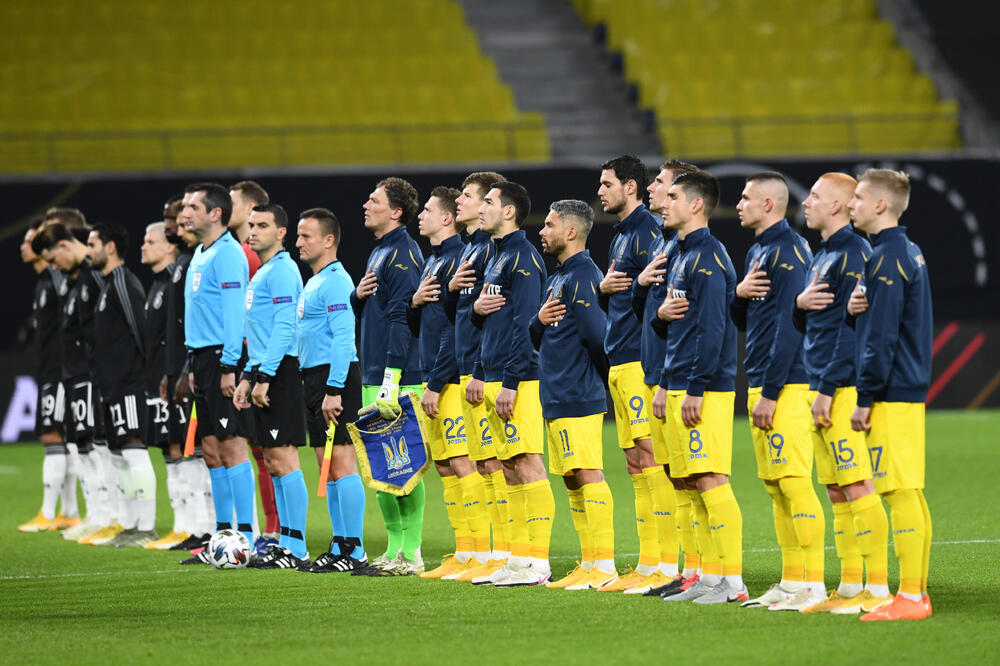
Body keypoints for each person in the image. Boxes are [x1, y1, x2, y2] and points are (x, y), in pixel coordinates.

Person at [793, 173, 892, 615]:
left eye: (814, 196)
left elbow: (854, 332)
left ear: (837, 205)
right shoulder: (824, 254)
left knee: (857, 484)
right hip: (821, 383)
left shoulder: (854, 253)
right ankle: (851, 587)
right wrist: (799, 306)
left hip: (843, 388)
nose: (807, 203)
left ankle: (878, 586)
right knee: (836, 489)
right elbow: (819, 325)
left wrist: (829, 390)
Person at [730, 172, 826, 610]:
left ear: (770, 205)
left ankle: (813, 583)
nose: (738, 204)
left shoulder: (787, 251)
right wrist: (739, 293)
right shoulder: (760, 250)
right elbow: (747, 320)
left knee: (793, 481)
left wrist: (770, 391)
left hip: (785, 383)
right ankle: (791, 581)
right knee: (775, 486)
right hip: (766, 381)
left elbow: (792, 324)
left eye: (746, 198)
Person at [652, 170, 746, 604]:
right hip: (679, 383)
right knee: (689, 482)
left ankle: (732, 582)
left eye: (673, 195)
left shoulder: (708, 257)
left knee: (709, 479)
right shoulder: (682, 254)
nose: (664, 202)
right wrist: (666, 384)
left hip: (702, 388)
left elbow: (712, 330)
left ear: (695, 205)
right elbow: (679, 329)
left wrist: (694, 387)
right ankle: (707, 577)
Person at [847, 169, 933, 622]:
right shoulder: (906, 251)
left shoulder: (884, 258)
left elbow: (881, 336)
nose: (852, 204)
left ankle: (912, 598)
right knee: (910, 491)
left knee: (898, 491)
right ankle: (915, 593)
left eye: (859, 197)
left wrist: (865, 397)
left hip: (891, 391)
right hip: (907, 387)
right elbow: (879, 319)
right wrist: (853, 308)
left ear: (881, 204)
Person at [595, 155, 676, 591]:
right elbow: (620, 294)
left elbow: (655, 296)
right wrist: (604, 289)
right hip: (621, 357)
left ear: (630, 186)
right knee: (634, 461)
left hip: (640, 359)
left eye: (608, 184)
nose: (601, 192)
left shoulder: (647, 231)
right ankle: (648, 563)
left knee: (651, 457)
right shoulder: (622, 235)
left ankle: (666, 562)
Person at [471, 181, 554, 587]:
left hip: (515, 380)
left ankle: (538, 562)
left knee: (528, 463)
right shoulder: (497, 257)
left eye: (488, 201)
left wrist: (511, 382)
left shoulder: (522, 258)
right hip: (494, 376)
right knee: (509, 466)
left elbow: (528, 328)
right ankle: (519, 558)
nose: (481, 208)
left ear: (508, 211)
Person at [408, 187, 491, 579]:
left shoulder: (461, 257)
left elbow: (454, 331)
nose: (420, 215)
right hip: (435, 375)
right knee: (444, 465)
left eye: (427, 210)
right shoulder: (433, 262)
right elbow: (429, 324)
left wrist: (438, 383)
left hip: (451, 379)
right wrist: (415, 301)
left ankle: (480, 551)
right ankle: (464, 552)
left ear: (445, 219)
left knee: (462, 462)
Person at [531, 199, 615, 590]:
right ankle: (588, 563)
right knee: (572, 478)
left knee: (588, 473)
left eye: (549, 225)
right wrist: (538, 321)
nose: (542, 231)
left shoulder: (583, 275)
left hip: (578, 391)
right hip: (558, 394)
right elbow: (539, 336)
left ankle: (604, 564)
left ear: (570, 232)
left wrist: (599, 383)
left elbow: (599, 338)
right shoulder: (558, 277)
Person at [632, 160, 703, 597]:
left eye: (663, 185)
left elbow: (701, 325)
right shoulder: (667, 248)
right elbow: (654, 316)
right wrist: (641, 286)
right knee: (675, 475)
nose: (656, 191)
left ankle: (702, 571)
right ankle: (685, 569)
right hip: (658, 375)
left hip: (680, 380)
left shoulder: (693, 252)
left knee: (697, 478)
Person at [350, 177, 426, 575]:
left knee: (403, 462)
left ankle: (411, 551)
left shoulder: (404, 255)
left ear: (396, 211)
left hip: (398, 374)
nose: (366, 204)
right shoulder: (379, 252)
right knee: (380, 466)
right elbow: (375, 314)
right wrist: (356, 298)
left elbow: (403, 320)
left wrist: (392, 377)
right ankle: (394, 547)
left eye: (374, 199)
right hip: (375, 371)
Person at [233, 202, 309, 569]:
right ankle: (286, 543)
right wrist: (249, 375)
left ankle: (297, 546)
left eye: (262, 225)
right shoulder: (263, 272)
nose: (253, 232)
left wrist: (264, 377)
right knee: (275, 462)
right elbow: (260, 334)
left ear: (281, 232)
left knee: (284, 457)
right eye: (251, 225)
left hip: (280, 371)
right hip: (265, 369)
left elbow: (284, 328)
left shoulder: (281, 271)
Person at [181, 182, 254, 554]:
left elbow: (233, 317)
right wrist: (193, 365)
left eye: (193, 206)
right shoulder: (200, 252)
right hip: (201, 358)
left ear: (216, 213)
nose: (185, 212)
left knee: (232, 446)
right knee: (210, 448)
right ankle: (222, 535)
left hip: (222, 359)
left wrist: (228, 366)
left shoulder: (227, 254)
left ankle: (249, 537)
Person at [445, 171, 511, 583]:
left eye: (471, 197)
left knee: (497, 463)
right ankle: (485, 551)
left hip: (487, 372)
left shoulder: (492, 251)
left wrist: (482, 372)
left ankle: (503, 552)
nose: (462, 203)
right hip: (471, 369)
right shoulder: (473, 250)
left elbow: (499, 319)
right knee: (484, 463)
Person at [33, 220, 117, 545]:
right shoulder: (73, 279)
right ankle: (96, 516)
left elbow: (105, 331)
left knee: (101, 448)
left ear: (65, 246)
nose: (52, 266)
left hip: (92, 378)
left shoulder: (93, 277)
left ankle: (113, 518)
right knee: (81, 448)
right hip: (75, 378)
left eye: (53, 258)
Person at [294, 207, 367, 572]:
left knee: (341, 461)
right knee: (328, 464)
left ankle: (354, 550)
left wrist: (335, 388)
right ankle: (340, 545)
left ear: (328, 240)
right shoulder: (316, 281)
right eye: (298, 235)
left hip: (334, 378)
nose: (298, 242)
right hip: (315, 378)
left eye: (306, 236)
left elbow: (343, 336)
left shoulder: (337, 280)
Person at [88, 223, 159, 547]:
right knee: (119, 455)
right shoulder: (106, 285)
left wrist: (144, 379)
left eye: (93, 244)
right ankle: (130, 523)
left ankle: (146, 526)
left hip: (130, 384)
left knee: (133, 450)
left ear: (110, 247)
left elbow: (141, 330)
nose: (88, 251)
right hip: (112, 386)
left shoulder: (122, 283)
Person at [18, 218, 76, 533]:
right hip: (50, 371)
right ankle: (67, 512)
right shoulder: (44, 283)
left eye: (29, 242)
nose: (23, 247)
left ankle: (49, 511)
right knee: (61, 438)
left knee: (55, 435)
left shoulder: (55, 281)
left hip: (59, 372)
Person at [139, 222, 193, 550]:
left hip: (179, 378)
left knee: (184, 449)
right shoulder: (160, 284)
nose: (143, 246)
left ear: (169, 246)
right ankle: (182, 524)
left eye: (150, 240)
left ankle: (192, 526)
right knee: (167, 448)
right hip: (162, 379)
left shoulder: (179, 275)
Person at [230, 180, 277, 552]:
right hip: (250, 362)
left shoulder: (248, 257)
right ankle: (266, 528)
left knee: (269, 451)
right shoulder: (240, 254)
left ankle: (275, 530)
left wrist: (250, 369)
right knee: (258, 449)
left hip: (258, 361)